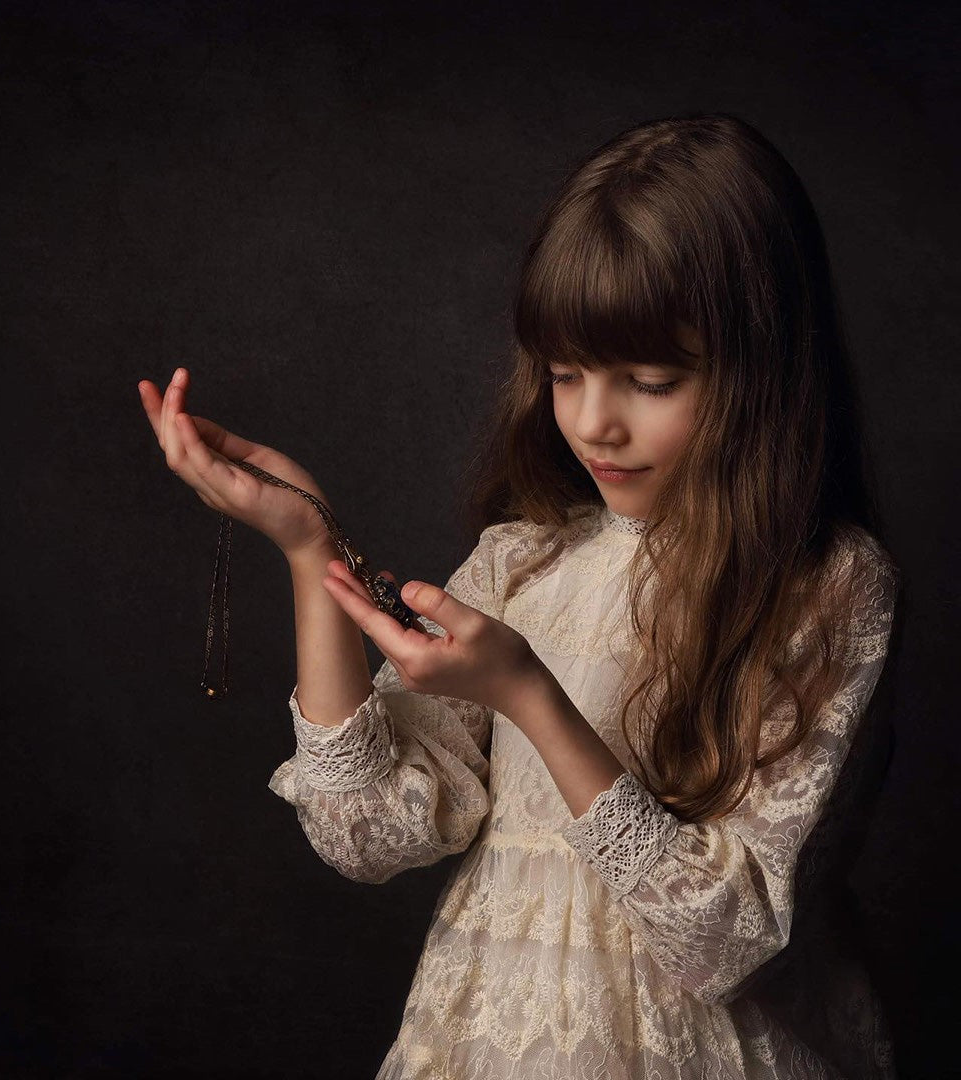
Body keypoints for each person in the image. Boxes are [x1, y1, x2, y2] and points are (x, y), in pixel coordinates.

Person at [137, 112, 901, 1079]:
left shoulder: (828, 588)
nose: (593, 422)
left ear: (765, 372)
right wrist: (306, 548)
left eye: (651, 380)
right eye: (564, 372)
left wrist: (532, 698)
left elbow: (727, 940)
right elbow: (369, 834)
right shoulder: (522, 563)